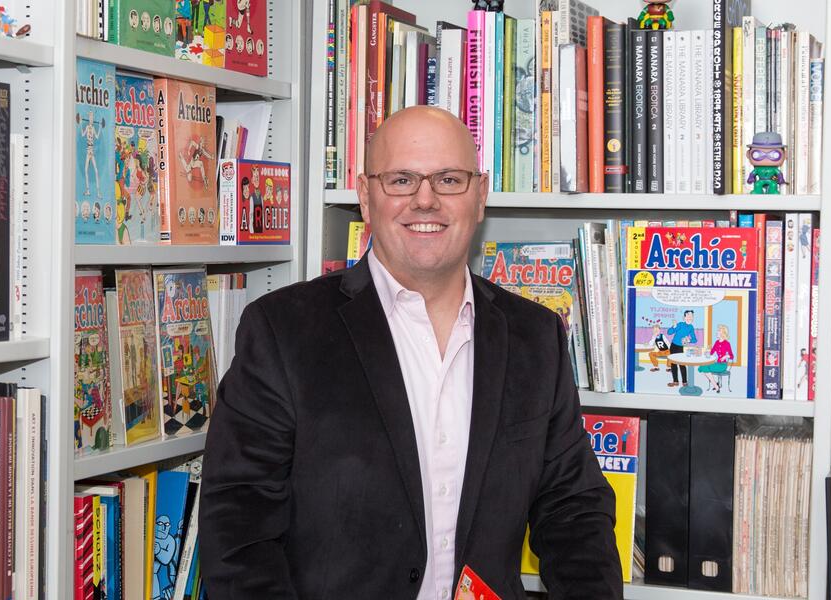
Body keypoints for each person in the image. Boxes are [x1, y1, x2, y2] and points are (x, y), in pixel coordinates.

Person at [200, 106, 621, 599]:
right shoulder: (283, 330)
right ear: (365, 197)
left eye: (448, 179)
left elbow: (574, 511)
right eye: (401, 180)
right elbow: (239, 528)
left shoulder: (536, 336)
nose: (426, 200)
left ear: (480, 197)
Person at [667, 310, 698, 388]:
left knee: (682, 364)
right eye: (688, 316)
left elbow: (695, 339)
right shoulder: (680, 324)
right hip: (673, 346)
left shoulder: (691, 327)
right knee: (673, 364)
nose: (690, 318)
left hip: (681, 347)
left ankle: (684, 382)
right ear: (684, 317)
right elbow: (669, 332)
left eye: (691, 316)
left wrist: (689, 340)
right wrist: (673, 326)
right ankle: (675, 381)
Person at [700, 324, 735, 392]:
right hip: (717, 363)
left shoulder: (727, 343)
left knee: (703, 368)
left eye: (718, 331)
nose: (716, 332)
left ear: (722, 333)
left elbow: (732, 356)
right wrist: (707, 351)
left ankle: (716, 386)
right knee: (702, 367)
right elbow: (711, 353)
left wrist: (725, 356)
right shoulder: (716, 342)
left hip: (723, 365)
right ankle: (716, 385)